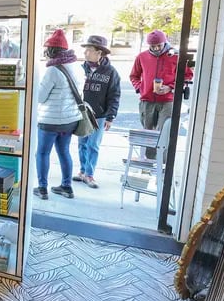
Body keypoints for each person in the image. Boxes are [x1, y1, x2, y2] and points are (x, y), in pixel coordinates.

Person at [129, 29, 194, 159]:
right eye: (153, 46)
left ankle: (161, 163)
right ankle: (148, 162)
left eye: (159, 45)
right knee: (148, 133)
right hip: (147, 100)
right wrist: (140, 88)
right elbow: (134, 76)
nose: (157, 48)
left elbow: (188, 75)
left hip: (167, 101)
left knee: (164, 131)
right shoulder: (142, 57)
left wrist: (170, 87)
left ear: (165, 42)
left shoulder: (175, 56)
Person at [34, 29, 82, 200]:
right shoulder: (76, 67)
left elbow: (40, 97)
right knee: (64, 152)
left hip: (50, 122)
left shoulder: (53, 70)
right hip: (69, 121)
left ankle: (42, 188)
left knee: (42, 153)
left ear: (51, 51)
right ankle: (67, 187)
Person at [73, 35, 121, 189]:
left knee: (93, 145)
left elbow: (114, 95)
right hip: (81, 114)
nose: (85, 53)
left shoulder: (111, 72)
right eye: (85, 50)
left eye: (89, 50)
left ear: (100, 53)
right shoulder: (80, 69)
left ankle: (89, 174)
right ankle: (82, 171)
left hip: (99, 115)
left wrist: (110, 116)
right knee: (82, 144)